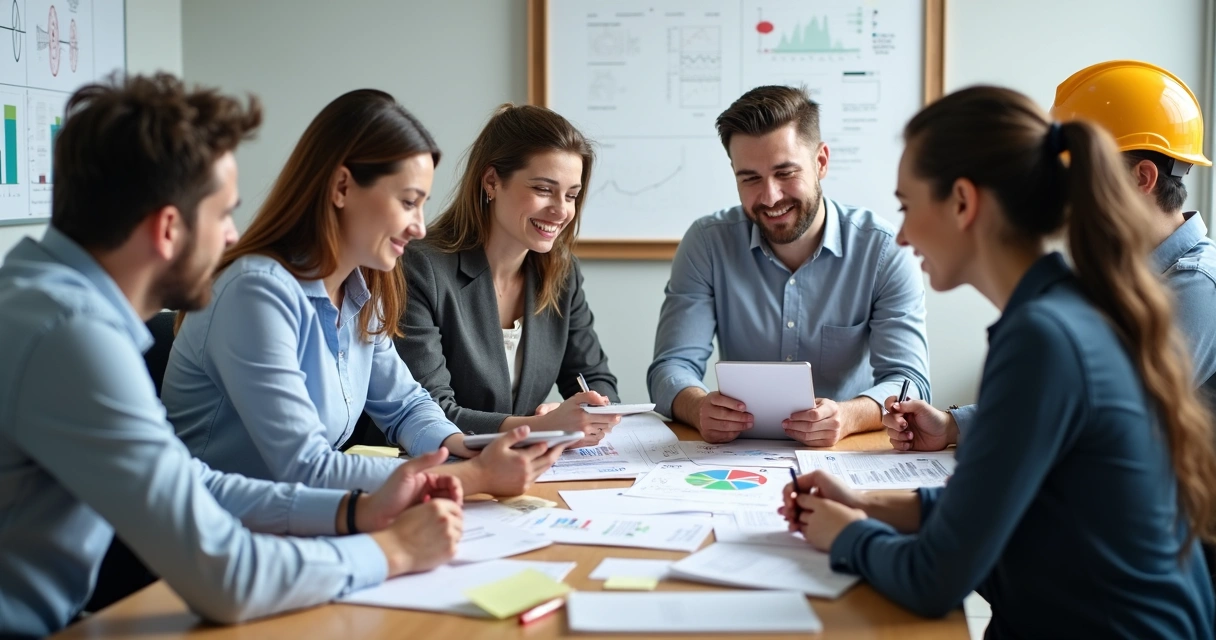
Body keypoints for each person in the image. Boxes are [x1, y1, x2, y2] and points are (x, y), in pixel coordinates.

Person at [0, 74, 464, 638]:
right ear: (168, 229)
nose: (232, 237)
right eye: (222, 215)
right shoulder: (72, 337)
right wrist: (393, 551)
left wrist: (352, 512)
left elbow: (188, 479)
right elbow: (228, 577)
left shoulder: (42, 297)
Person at [785, 85, 1216, 638]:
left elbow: (934, 577)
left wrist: (845, 534)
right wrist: (866, 504)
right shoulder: (1056, 311)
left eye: (907, 206)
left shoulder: (1043, 336)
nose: (903, 234)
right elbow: (998, 507)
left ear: (963, 202)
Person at [162, 90, 563, 496]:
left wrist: (470, 449)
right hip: (223, 534)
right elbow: (305, 465)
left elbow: (406, 405)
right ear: (341, 187)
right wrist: (471, 477)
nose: (420, 227)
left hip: (304, 516)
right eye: (408, 202)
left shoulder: (362, 290)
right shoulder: (255, 293)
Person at [888, 60, 1216, 449]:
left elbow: (1092, 420)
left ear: (1142, 178)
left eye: (1077, 172)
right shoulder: (1112, 274)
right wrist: (954, 426)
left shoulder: (1197, 286)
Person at [647, 84, 930, 446]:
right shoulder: (706, 243)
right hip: (736, 456)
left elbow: (910, 381)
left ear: (821, 162)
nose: (770, 196)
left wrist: (847, 416)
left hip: (846, 451)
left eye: (785, 173)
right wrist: (698, 406)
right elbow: (671, 367)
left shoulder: (883, 250)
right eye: (750, 178)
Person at [397, 104, 622, 448]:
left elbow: (596, 378)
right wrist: (538, 425)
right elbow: (429, 411)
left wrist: (586, 410)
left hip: (525, 472)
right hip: (433, 470)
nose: (561, 210)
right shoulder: (420, 267)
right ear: (492, 181)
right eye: (544, 189)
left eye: (572, 195)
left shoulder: (562, 272)